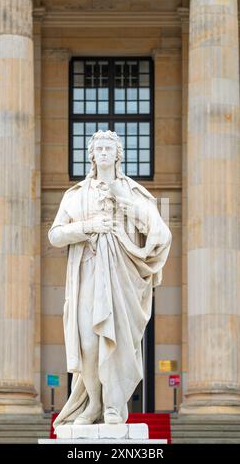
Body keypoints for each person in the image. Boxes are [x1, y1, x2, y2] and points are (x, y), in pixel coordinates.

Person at [48, 130, 172, 429]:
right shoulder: (75, 195)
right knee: (88, 343)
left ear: (118, 154)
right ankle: (93, 404)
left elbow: (160, 232)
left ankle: (115, 407)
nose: (103, 152)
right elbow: (55, 235)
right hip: (88, 275)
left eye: (109, 148)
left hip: (123, 279)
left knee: (118, 345)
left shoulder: (135, 192)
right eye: (98, 148)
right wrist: (88, 226)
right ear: (91, 155)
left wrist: (124, 202)